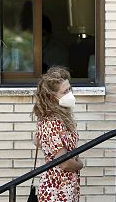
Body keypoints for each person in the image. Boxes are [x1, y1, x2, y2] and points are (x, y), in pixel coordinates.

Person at [32, 67, 83, 202]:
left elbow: (37, 141)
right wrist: (80, 165)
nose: (69, 94)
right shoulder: (52, 122)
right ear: (51, 97)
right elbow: (65, 164)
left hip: (66, 188)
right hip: (57, 191)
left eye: (69, 89)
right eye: (65, 92)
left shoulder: (57, 118)